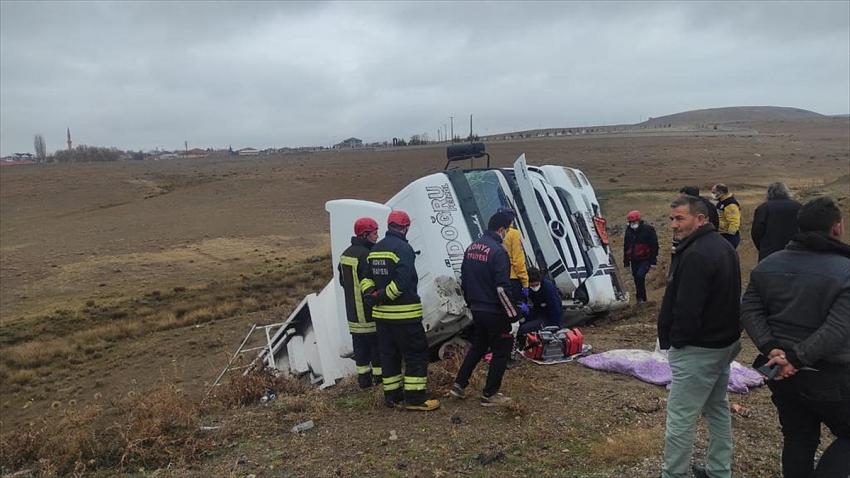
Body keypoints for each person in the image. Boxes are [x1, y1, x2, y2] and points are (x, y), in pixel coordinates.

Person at [741, 196, 849, 478]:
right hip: (831, 376)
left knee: (799, 438)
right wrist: (796, 358)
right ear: (837, 228)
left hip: (782, 375)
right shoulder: (846, 271)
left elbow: (749, 308)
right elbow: (838, 328)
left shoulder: (767, 265)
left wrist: (771, 348)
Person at [657, 195, 742, 478]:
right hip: (723, 344)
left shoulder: (696, 254)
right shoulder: (722, 246)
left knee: (681, 417)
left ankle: (674, 474)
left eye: (680, 218)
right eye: (672, 219)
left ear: (701, 219)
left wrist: (678, 341)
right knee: (716, 407)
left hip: (699, 348)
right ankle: (719, 470)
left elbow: (687, 307)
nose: (673, 224)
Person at [362, 210, 440, 411]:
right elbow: (402, 283)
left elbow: (366, 278)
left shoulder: (375, 249)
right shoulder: (404, 249)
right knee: (416, 354)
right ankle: (415, 398)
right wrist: (383, 295)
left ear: (388, 226)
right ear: (405, 228)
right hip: (404, 316)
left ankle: (393, 397)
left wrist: (371, 294)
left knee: (389, 356)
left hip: (381, 317)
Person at [450, 211, 519, 406]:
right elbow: (502, 289)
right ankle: (490, 394)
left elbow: (464, 279)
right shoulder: (498, 251)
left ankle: (459, 385)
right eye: (508, 229)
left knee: (478, 347)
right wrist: (513, 317)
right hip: (496, 311)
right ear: (501, 229)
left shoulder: (472, 248)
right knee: (501, 351)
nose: (508, 234)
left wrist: (471, 303)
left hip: (477, 309)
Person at [338, 217, 381, 389]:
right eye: (374, 233)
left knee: (360, 350)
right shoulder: (366, 255)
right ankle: (379, 382)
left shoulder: (345, 255)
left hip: (353, 314)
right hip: (367, 311)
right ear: (364, 235)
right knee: (376, 348)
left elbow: (343, 281)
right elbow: (369, 283)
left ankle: (364, 382)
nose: (377, 236)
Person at [751, 182, 802, 262]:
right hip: (795, 251)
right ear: (787, 192)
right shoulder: (798, 206)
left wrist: (762, 247)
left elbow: (756, 232)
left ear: (769, 193)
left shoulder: (764, 208)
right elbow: (805, 228)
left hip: (769, 253)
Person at [623, 210, 659, 303]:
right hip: (634, 260)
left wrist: (653, 261)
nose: (632, 224)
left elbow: (654, 245)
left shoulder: (648, 230)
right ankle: (641, 299)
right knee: (636, 278)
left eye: (634, 222)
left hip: (646, 259)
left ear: (639, 220)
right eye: (630, 222)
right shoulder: (628, 231)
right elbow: (626, 246)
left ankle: (642, 298)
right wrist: (626, 261)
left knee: (640, 276)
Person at [496, 207, 529, 303]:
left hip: (499, 278)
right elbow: (518, 261)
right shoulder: (514, 234)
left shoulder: (494, 233)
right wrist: (525, 283)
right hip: (513, 279)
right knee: (520, 309)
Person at [517, 267, 563, 335]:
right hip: (538, 313)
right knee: (519, 324)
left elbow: (556, 310)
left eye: (536, 285)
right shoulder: (527, 288)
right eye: (532, 285)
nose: (535, 287)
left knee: (524, 328)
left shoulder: (548, 289)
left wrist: (555, 329)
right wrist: (527, 308)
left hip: (548, 318)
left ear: (540, 280)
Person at [711, 184, 741, 249]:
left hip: (728, 236)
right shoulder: (721, 201)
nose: (712, 194)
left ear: (721, 192)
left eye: (714, 192)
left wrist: (730, 237)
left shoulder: (730, 204)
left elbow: (734, 222)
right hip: (722, 234)